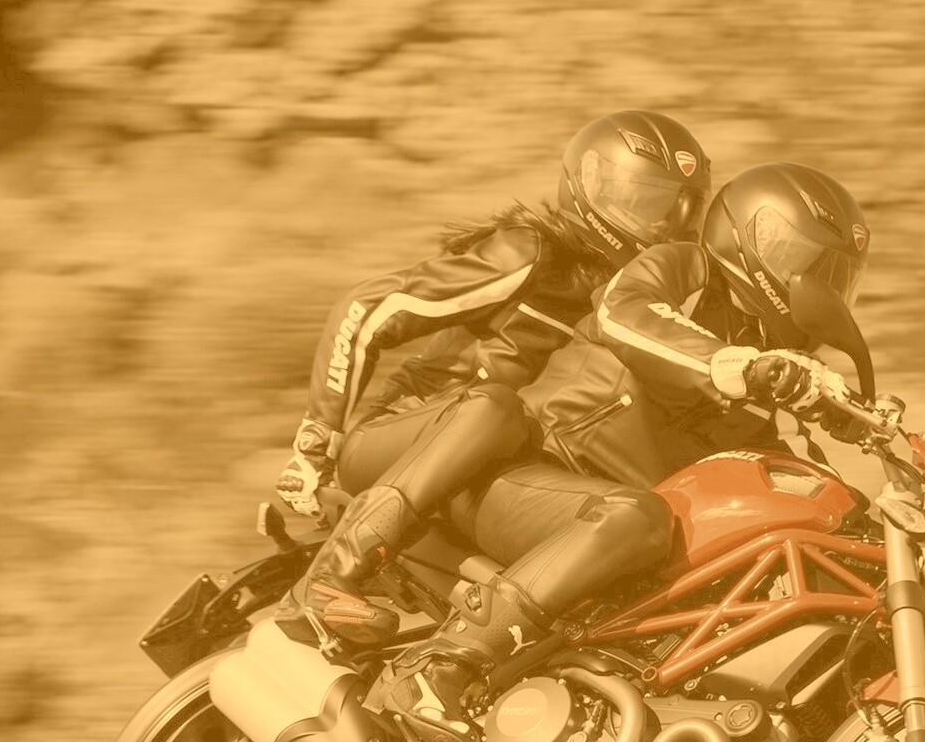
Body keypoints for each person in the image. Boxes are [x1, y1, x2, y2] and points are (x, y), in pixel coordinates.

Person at [388, 162, 874, 742]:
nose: (814, 284)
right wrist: (735, 366)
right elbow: (629, 317)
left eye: (834, 276)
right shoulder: (683, 272)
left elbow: (782, 476)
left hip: (595, 524)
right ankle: (440, 667)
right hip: (524, 472)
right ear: (749, 236)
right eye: (801, 260)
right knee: (635, 516)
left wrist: (865, 525)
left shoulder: (765, 378)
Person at [273, 111, 713, 645]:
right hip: (405, 442)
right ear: (589, 184)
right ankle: (327, 578)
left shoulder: (644, 302)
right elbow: (366, 308)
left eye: (675, 209)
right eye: (642, 202)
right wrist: (316, 442)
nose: (660, 225)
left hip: (485, 472)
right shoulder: (532, 254)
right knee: (497, 406)